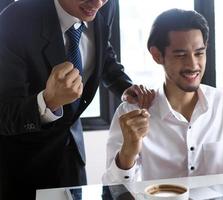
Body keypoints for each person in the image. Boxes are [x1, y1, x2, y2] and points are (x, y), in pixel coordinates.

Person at [0, 0, 154, 199]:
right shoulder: (15, 20)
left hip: (71, 154)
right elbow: (3, 113)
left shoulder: (103, 7)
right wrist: (48, 102)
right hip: (22, 163)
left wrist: (123, 86)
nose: (97, 3)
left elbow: (102, 51)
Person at [102, 8, 223, 184]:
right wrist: (128, 152)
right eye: (181, 55)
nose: (193, 65)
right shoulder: (130, 112)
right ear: (157, 55)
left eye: (199, 53)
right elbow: (112, 188)